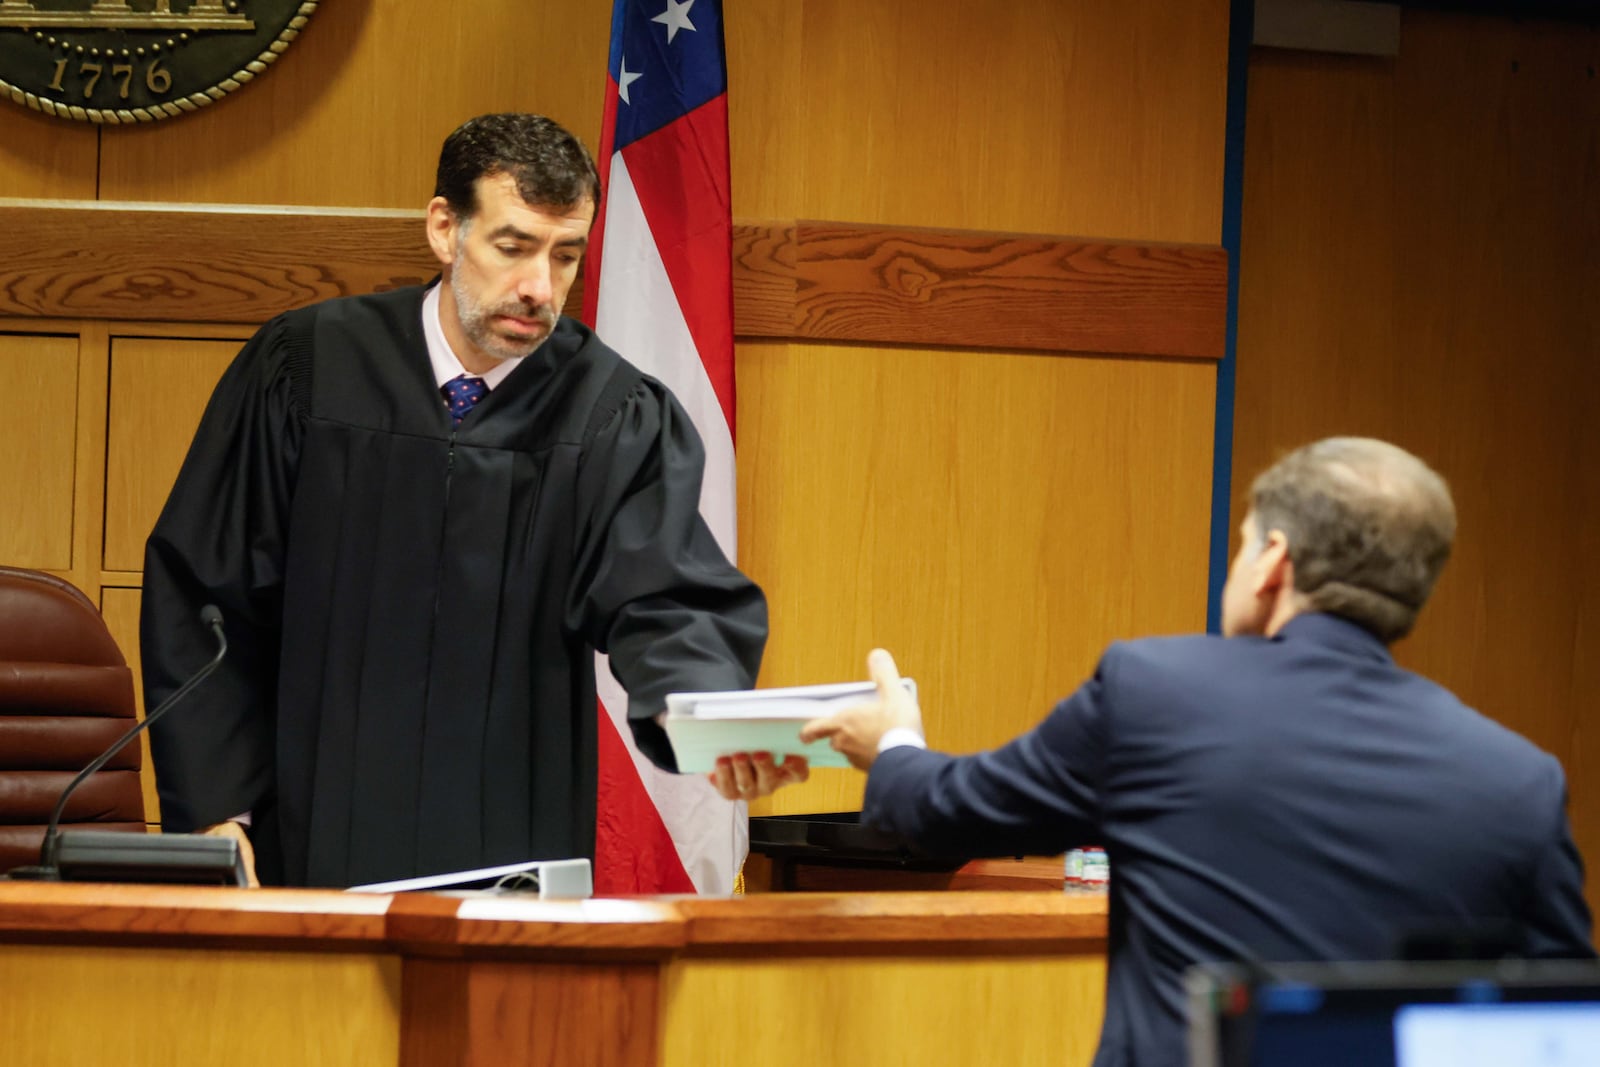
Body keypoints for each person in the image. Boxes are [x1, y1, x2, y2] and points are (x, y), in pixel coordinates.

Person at [725, 438, 1595, 1067]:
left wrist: (892, 740)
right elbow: (1561, 1016)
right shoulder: (1517, 778)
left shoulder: (1159, 692)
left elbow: (948, 815)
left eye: (1243, 539)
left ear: (1273, 562)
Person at [141, 113, 793, 889]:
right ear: (446, 228)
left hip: (512, 846)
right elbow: (205, 597)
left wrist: (712, 722)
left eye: (566, 256)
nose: (539, 288)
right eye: (513, 248)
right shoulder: (307, 371)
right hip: (306, 840)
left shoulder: (610, 415)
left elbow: (667, 598)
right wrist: (219, 813)